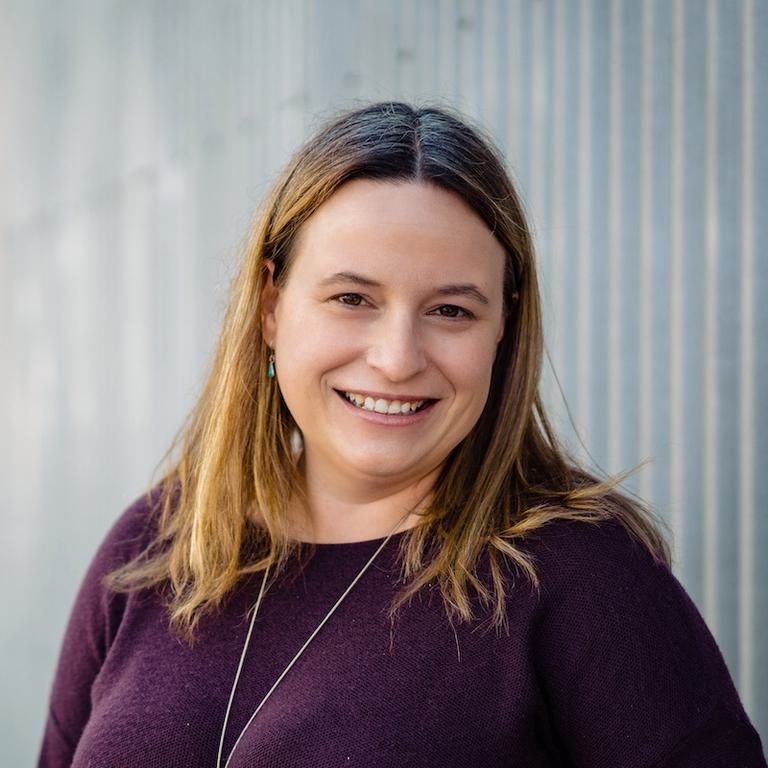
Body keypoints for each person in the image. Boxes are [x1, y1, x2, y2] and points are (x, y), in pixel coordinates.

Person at [38, 102, 766, 768]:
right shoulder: (154, 547)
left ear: (503, 330)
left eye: (451, 311)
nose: (395, 358)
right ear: (270, 306)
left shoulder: (584, 578)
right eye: (352, 299)